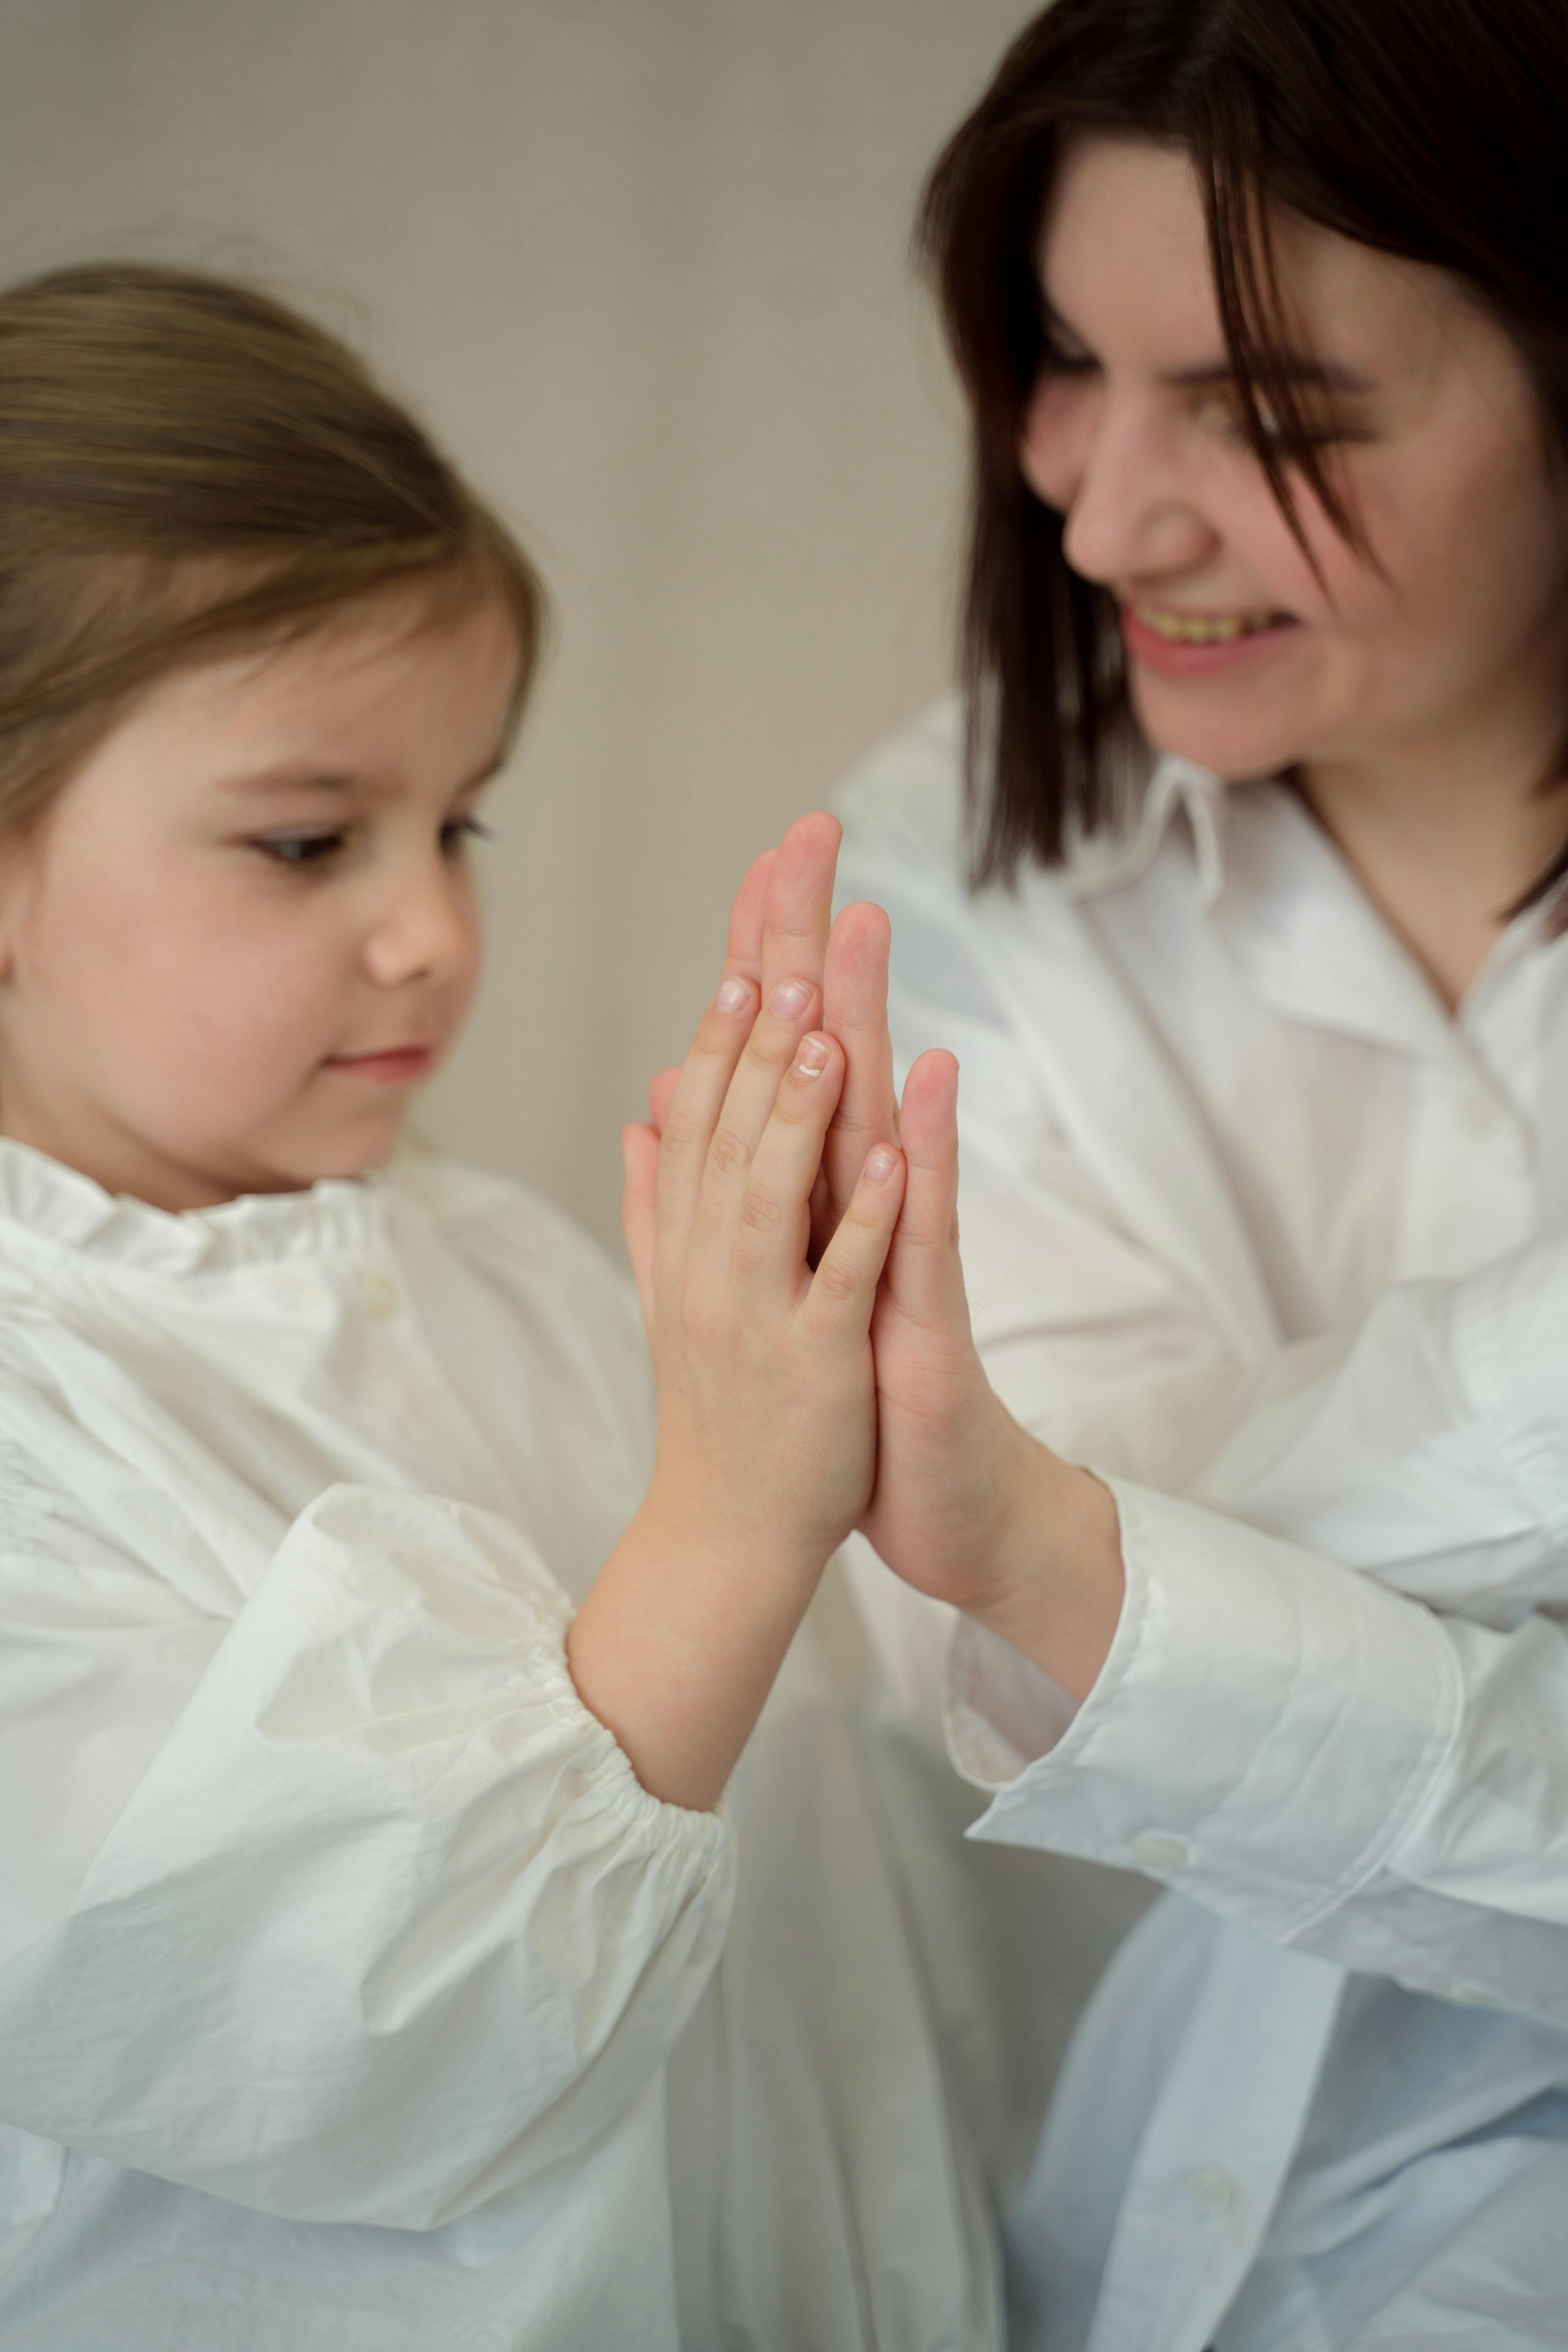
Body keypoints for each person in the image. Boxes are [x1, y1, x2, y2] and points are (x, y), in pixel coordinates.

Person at [0, 261, 1003, 2351]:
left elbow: (832, 1876)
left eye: (456, 821)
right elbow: (362, 2038)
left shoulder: (495, 1267)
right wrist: (729, 1514)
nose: (434, 932)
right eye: (305, 843)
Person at [814, 2, 1568, 2346]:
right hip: (1132, 2226)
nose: (1103, 511)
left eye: (1271, 418)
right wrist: (1039, 1553)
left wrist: (1088, 1558)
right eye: (1061, 358)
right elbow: (958, 1620)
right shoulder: (968, 854)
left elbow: (1025, 1540)